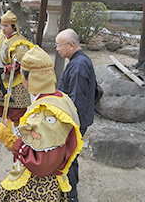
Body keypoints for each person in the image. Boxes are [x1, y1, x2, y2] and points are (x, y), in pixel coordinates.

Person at [0, 45, 83, 202]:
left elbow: (41, 162)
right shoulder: (61, 97)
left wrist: (11, 141)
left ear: (29, 78)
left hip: (39, 185)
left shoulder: (44, 113)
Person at [56, 28, 96, 202]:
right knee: (73, 154)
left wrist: (68, 123)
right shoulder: (80, 59)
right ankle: (72, 185)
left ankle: (72, 196)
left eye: (59, 45)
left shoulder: (78, 65)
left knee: (67, 156)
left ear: (71, 45)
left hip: (76, 119)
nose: (57, 48)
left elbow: (77, 99)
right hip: (81, 117)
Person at [0, 11, 35, 125]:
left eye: (6, 26)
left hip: (16, 79)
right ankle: (6, 124)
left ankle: (14, 131)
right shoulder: (2, 37)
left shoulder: (19, 43)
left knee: (16, 109)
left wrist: (6, 69)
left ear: (13, 26)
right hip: (2, 75)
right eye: (2, 25)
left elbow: (20, 63)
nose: (3, 28)